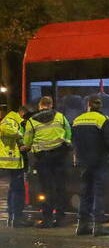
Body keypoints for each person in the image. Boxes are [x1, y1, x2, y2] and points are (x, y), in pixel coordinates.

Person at [71, 94, 109, 236]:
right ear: (100, 106)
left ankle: (82, 225)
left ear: (88, 105)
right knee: (99, 192)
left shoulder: (77, 120)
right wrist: (108, 152)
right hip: (99, 161)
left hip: (83, 162)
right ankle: (98, 225)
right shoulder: (102, 119)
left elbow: (73, 140)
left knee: (85, 192)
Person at [23, 96, 72, 227]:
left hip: (43, 158)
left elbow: (27, 140)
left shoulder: (32, 121)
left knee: (46, 189)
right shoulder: (60, 117)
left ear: (40, 106)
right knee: (60, 187)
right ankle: (60, 218)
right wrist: (65, 144)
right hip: (59, 156)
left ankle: (47, 219)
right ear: (51, 105)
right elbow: (68, 132)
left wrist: (28, 146)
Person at [0, 104, 31, 227]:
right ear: (22, 113)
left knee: (14, 189)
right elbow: (5, 129)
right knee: (18, 190)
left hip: (15, 162)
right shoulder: (11, 119)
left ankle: (13, 217)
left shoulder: (15, 121)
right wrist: (21, 136)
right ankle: (17, 219)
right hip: (11, 161)